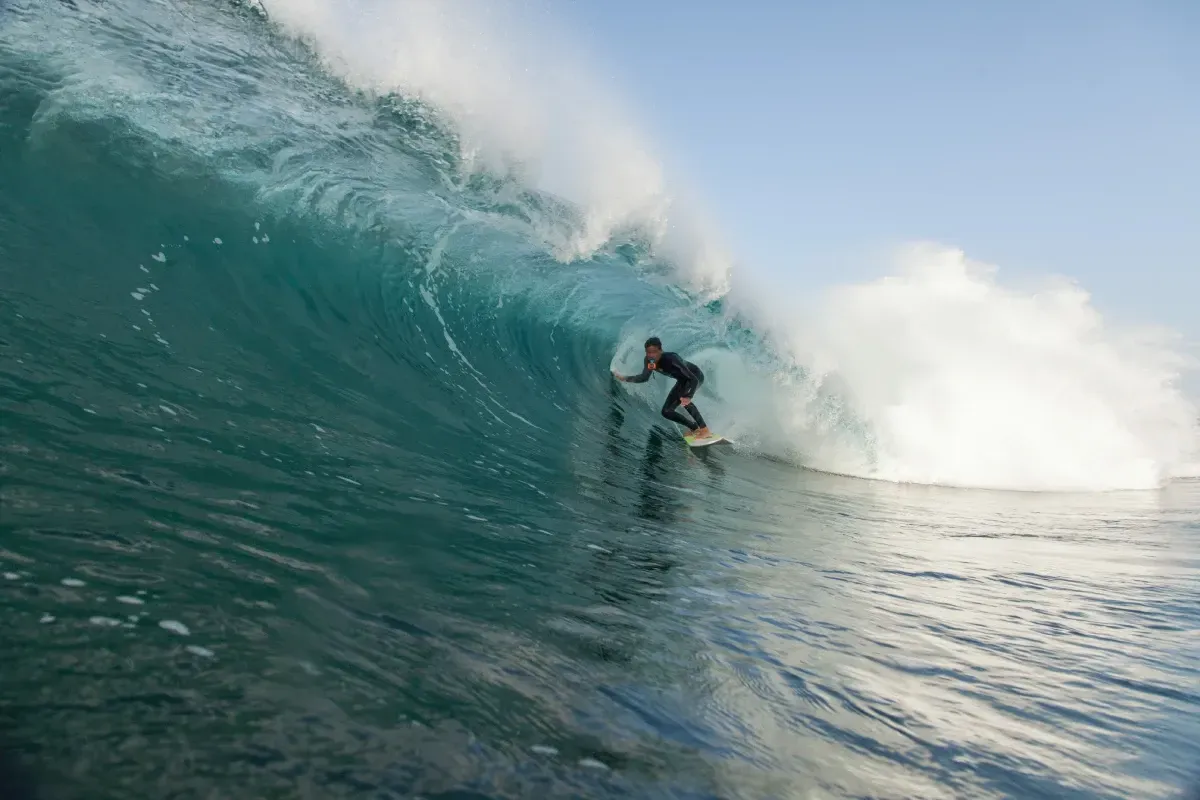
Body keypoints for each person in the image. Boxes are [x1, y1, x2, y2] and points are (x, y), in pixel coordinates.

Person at [612, 337, 713, 439]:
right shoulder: (650, 361)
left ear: (660, 350)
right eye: (648, 352)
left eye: (654, 352)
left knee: (684, 399)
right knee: (666, 411)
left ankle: (705, 430)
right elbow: (644, 377)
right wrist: (624, 378)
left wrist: (689, 396)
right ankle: (694, 427)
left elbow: (693, 379)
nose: (651, 355)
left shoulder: (671, 359)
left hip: (695, 376)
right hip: (682, 380)